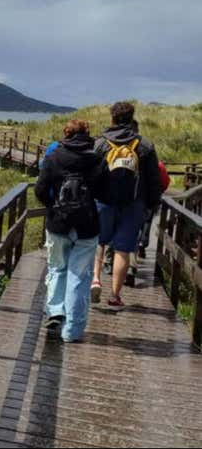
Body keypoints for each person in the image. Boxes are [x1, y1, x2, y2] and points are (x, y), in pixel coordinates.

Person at [35, 119, 109, 342]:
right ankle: (72, 331)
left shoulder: (53, 157)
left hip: (58, 224)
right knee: (79, 276)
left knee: (57, 268)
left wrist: (53, 206)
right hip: (87, 226)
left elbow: (40, 189)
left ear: (66, 134)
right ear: (87, 134)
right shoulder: (96, 159)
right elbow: (105, 192)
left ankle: (56, 311)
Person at [92, 102, 162, 309]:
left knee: (99, 241)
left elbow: (91, 176)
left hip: (103, 202)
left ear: (112, 117)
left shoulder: (101, 144)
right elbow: (154, 181)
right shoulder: (145, 146)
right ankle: (114, 295)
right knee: (123, 249)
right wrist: (150, 206)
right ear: (132, 118)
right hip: (133, 204)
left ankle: (95, 279)